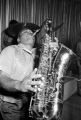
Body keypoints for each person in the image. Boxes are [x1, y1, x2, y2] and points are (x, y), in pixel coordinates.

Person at [0, 24, 44, 120]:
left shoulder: (40, 53)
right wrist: (19, 84)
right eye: (25, 32)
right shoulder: (10, 50)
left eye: (32, 32)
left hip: (31, 103)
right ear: (18, 39)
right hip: (12, 105)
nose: (30, 33)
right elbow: (1, 78)